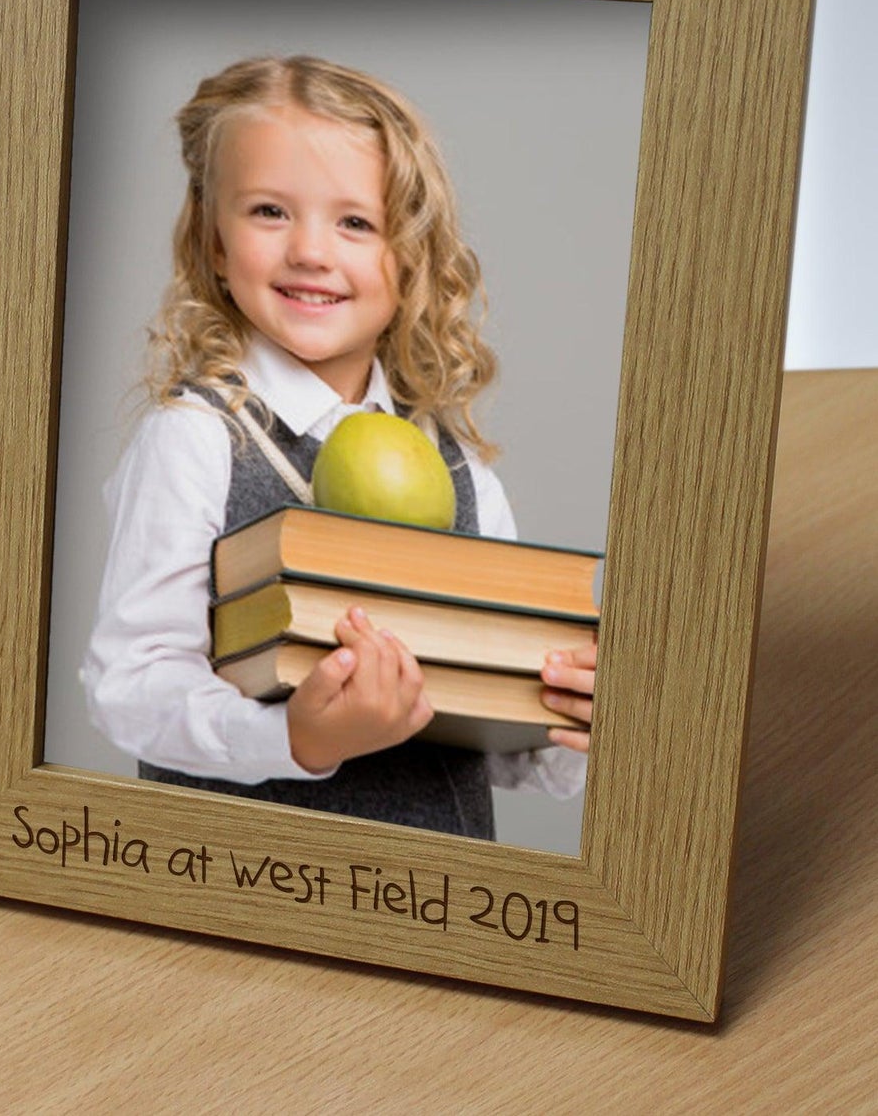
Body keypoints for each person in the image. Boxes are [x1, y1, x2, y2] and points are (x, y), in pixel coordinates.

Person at [80, 54, 596, 839]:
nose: (311, 252)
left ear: (410, 255)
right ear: (212, 241)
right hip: (248, 890)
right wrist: (295, 738)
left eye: (355, 222)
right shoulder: (195, 439)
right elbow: (131, 683)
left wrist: (577, 715)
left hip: (434, 902)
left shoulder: (462, 472)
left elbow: (509, 748)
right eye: (268, 212)